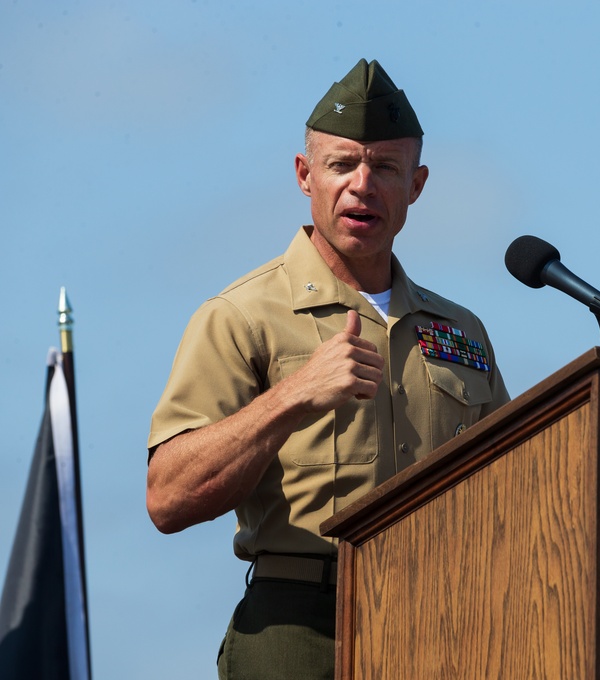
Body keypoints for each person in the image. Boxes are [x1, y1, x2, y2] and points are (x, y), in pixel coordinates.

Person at [146, 58, 509, 679]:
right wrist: (293, 397)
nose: (362, 185)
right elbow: (169, 497)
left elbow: (511, 486)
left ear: (416, 185)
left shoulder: (459, 332)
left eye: (386, 168)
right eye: (342, 164)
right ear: (303, 174)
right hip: (301, 625)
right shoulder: (241, 315)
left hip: (441, 619)